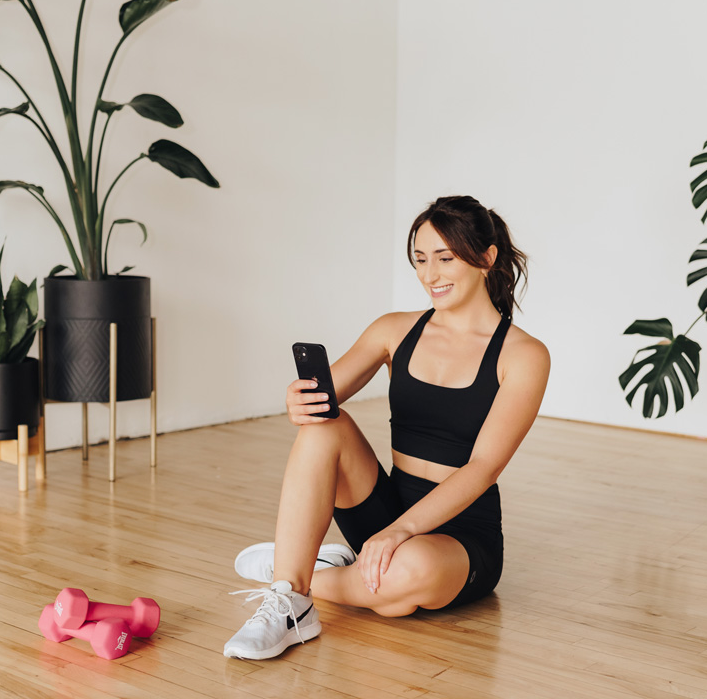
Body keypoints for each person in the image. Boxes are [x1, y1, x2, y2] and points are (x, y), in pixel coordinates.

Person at [223, 195, 550, 660]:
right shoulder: (394, 330)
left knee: (405, 578)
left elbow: (482, 468)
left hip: (460, 536)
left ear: (486, 258)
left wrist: (401, 533)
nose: (429, 275)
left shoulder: (524, 355)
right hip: (386, 510)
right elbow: (322, 397)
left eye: (445, 258)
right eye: (420, 259)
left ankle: (292, 572)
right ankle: (291, 603)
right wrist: (299, 401)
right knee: (322, 427)